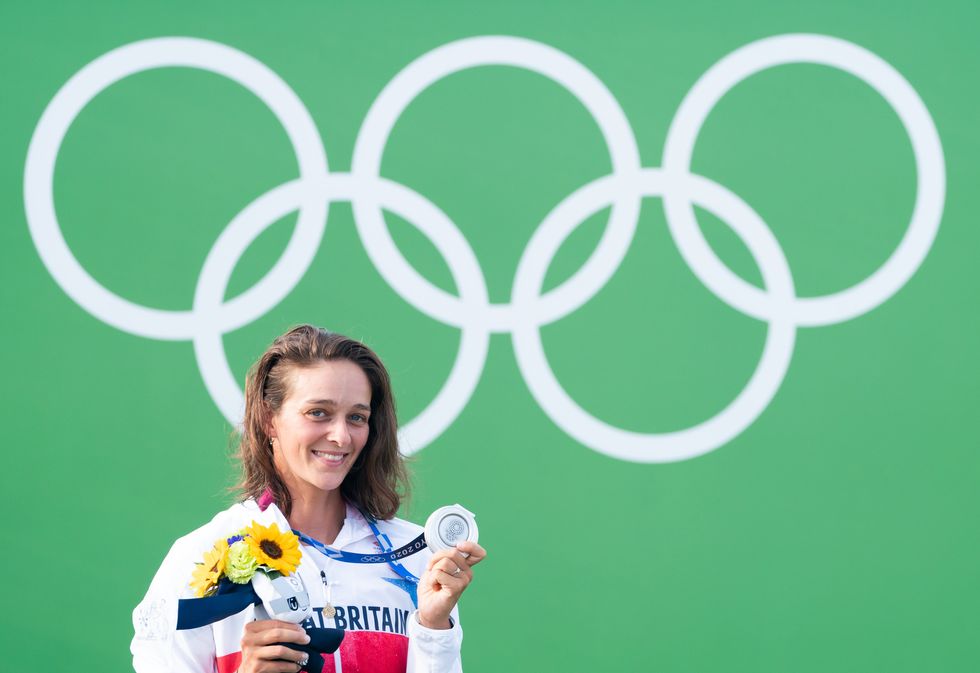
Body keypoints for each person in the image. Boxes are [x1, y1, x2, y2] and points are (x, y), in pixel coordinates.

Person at [131, 325, 486, 673]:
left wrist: (433, 626)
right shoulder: (202, 556)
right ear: (270, 420)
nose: (341, 436)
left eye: (357, 418)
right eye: (318, 413)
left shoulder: (415, 554)